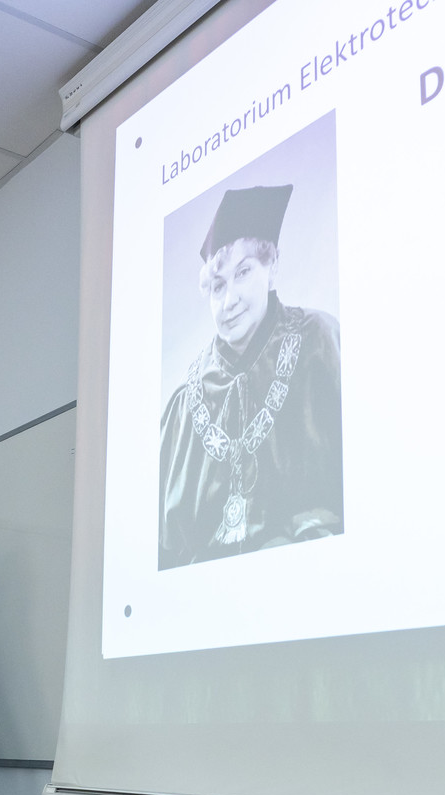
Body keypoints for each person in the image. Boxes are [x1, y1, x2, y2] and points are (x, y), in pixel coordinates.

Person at [158, 183, 344, 569]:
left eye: (243, 272)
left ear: (271, 267)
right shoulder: (184, 404)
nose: (229, 301)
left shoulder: (321, 344)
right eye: (218, 286)